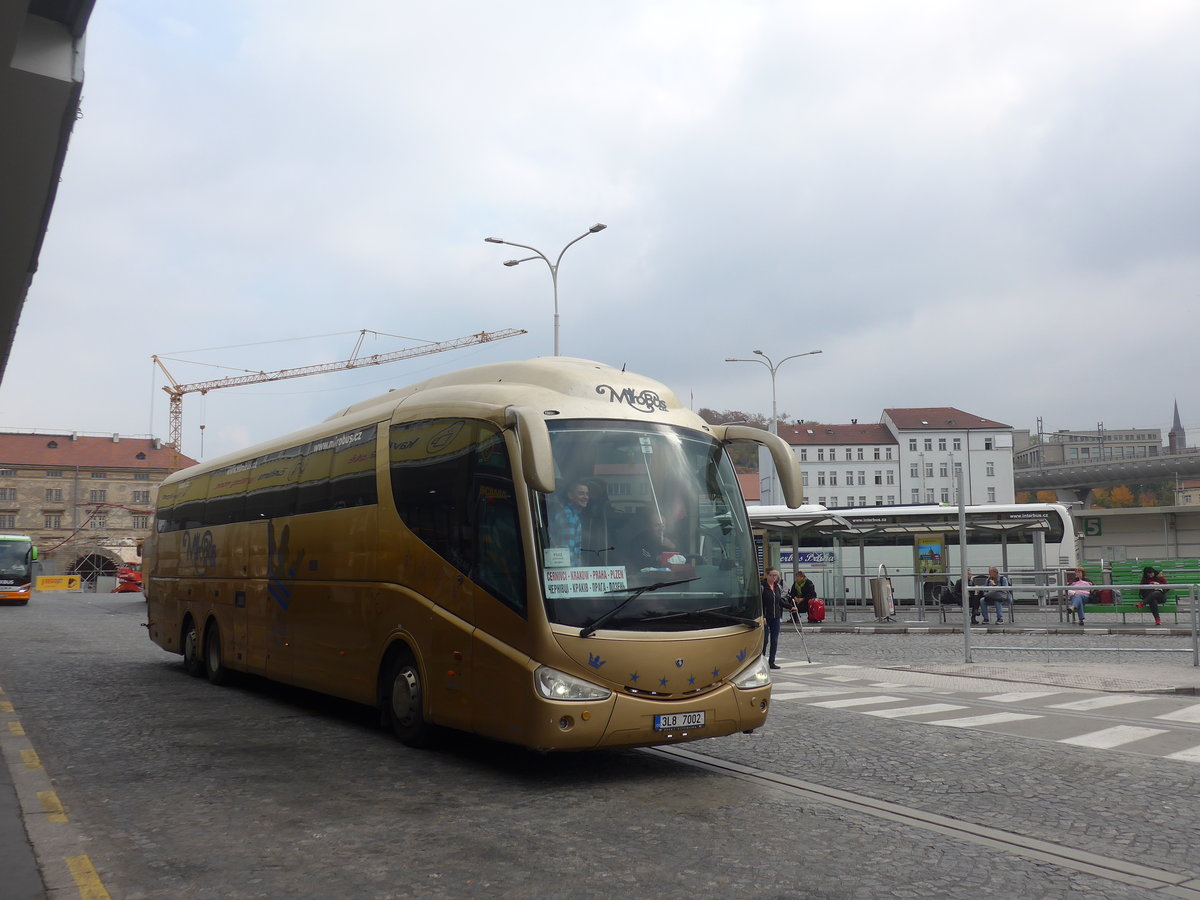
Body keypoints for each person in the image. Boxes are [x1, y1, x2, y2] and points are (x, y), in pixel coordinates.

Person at [549, 480, 589, 566]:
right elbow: (567, 551)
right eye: (581, 493)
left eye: (587, 494)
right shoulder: (568, 517)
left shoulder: (574, 515)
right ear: (571, 495)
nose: (585, 497)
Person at [760, 568, 786, 669]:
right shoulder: (762, 587)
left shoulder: (777, 587)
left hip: (776, 617)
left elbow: (779, 601)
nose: (774, 577)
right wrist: (762, 616)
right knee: (765, 640)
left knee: (774, 640)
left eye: (776, 575)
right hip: (766, 618)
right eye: (772, 575)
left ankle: (772, 661)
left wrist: (790, 607)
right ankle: (761, 661)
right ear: (767, 575)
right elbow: (760, 603)